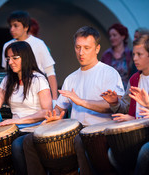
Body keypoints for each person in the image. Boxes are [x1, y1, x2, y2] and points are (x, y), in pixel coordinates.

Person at [23, 26, 125, 175]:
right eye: (78, 47)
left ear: (97, 49)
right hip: (75, 132)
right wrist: (54, 117)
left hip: (100, 132)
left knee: (79, 140)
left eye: (86, 48)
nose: (81, 52)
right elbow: (58, 110)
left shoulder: (108, 73)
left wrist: (82, 101)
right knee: (28, 141)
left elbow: (114, 106)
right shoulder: (71, 79)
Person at [101, 35, 149, 175]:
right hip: (136, 131)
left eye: (139, 54)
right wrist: (115, 102)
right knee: (112, 154)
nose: (135, 58)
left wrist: (143, 112)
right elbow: (126, 108)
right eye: (133, 54)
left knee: (144, 153)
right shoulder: (134, 79)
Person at [0, 41, 52, 175]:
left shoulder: (39, 80)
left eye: (15, 58)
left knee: (17, 146)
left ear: (26, 57)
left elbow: (46, 111)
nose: (10, 62)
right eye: (8, 59)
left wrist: (16, 121)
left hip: (36, 130)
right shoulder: (8, 80)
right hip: (15, 131)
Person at [1, 11, 58, 105]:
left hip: (37, 92)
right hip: (16, 93)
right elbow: (8, 72)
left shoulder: (39, 44)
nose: (12, 29)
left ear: (26, 27)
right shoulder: (7, 46)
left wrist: (55, 99)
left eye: (16, 26)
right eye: (10, 26)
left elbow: (50, 72)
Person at [101, 23, 133, 90]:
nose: (111, 38)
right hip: (110, 90)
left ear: (123, 36)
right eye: (110, 36)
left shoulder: (130, 54)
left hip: (127, 91)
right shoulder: (106, 55)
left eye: (114, 35)